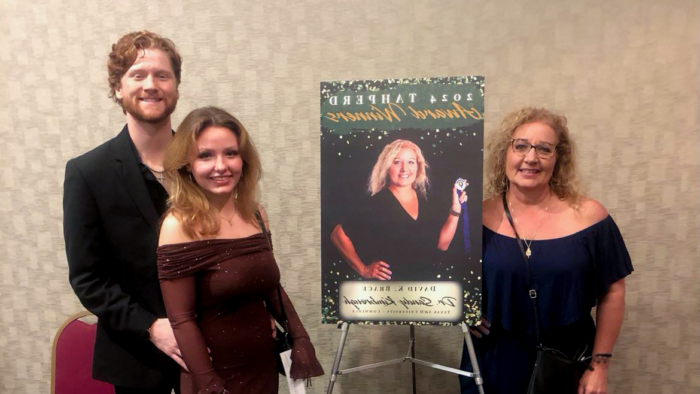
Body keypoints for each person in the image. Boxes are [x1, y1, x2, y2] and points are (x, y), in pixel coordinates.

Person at [459, 107, 633, 394]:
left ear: (558, 158)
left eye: (544, 148)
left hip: (568, 363)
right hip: (492, 360)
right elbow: (449, 274)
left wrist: (599, 366)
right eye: (521, 146)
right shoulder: (473, 216)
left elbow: (613, 291)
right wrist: (463, 310)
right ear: (505, 153)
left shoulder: (591, 217)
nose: (531, 158)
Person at [157, 106, 324, 394]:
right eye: (206, 155)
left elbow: (270, 286)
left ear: (243, 159)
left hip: (261, 363)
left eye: (230, 153)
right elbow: (181, 320)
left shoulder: (255, 213)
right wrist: (211, 386)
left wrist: (301, 338)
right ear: (187, 163)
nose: (221, 166)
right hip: (213, 375)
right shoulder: (178, 224)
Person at [63, 31, 183, 393]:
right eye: (137, 74)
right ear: (118, 87)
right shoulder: (88, 172)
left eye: (162, 75)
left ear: (176, 86)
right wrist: (152, 327)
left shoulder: (206, 164)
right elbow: (88, 278)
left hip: (215, 355)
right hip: (137, 361)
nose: (151, 85)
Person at [330, 139, 468, 281]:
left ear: (418, 167)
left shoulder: (427, 200)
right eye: (397, 162)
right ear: (387, 167)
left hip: (426, 288)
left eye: (411, 162)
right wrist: (363, 270)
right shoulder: (376, 203)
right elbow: (337, 235)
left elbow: (442, 245)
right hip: (390, 291)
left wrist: (455, 209)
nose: (404, 168)